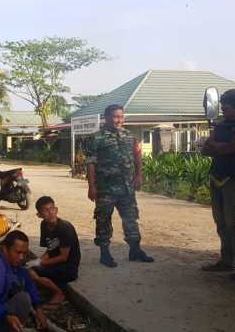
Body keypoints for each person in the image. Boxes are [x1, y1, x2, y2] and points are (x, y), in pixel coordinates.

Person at [87, 104, 154, 267]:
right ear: (107, 118)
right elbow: (91, 163)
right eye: (116, 117)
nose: (119, 120)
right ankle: (105, 253)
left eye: (121, 117)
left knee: (131, 218)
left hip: (126, 187)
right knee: (103, 219)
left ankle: (135, 250)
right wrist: (91, 186)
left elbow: (137, 156)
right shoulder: (96, 138)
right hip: (105, 188)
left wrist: (139, 175)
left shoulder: (129, 136)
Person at [201, 89, 235, 281]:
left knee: (234, 223)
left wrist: (217, 146)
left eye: (226, 105)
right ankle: (227, 260)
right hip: (216, 175)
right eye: (222, 104)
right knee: (221, 222)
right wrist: (220, 147)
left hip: (233, 177)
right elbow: (206, 149)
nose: (222, 108)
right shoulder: (223, 124)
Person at [29, 196, 81, 306]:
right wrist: (38, 261)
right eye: (45, 210)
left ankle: (59, 293)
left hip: (68, 267)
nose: (50, 212)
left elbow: (63, 257)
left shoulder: (65, 228)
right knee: (30, 268)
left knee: (31, 272)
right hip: (55, 264)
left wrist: (41, 263)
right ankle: (45, 284)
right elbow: (50, 250)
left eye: (52, 208)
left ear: (56, 210)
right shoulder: (44, 225)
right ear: (39, 215)